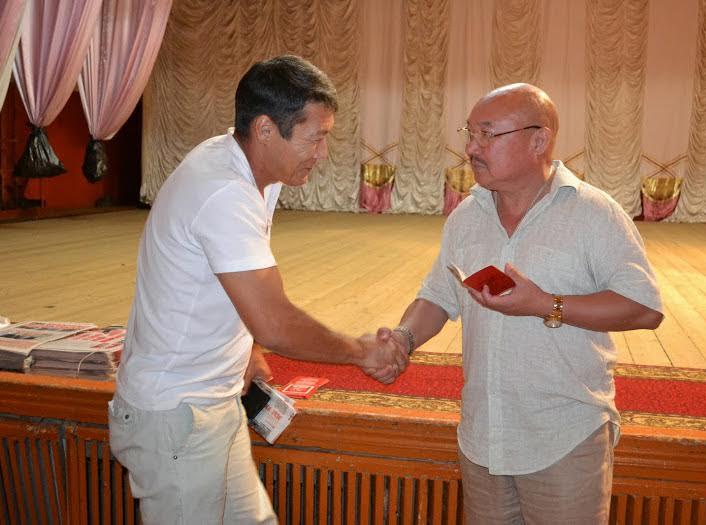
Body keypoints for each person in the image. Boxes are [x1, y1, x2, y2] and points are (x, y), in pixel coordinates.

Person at [109, 55, 407, 524]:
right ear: (265, 129)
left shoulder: (251, 169)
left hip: (215, 403)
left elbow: (233, 286)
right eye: (315, 137)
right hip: (178, 416)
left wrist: (247, 349)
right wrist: (361, 351)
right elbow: (275, 323)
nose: (322, 153)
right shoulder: (224, 190)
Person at [383, 83, 663, 524]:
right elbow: (437, 296)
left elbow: (644, 308)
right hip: (483, 436)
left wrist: (546, 304)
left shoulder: (593, 212)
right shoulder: (466, 217)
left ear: (539, 140)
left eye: (488, 134)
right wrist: (402, 339)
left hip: (563, 438)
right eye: (470, 134)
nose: (471, 148)